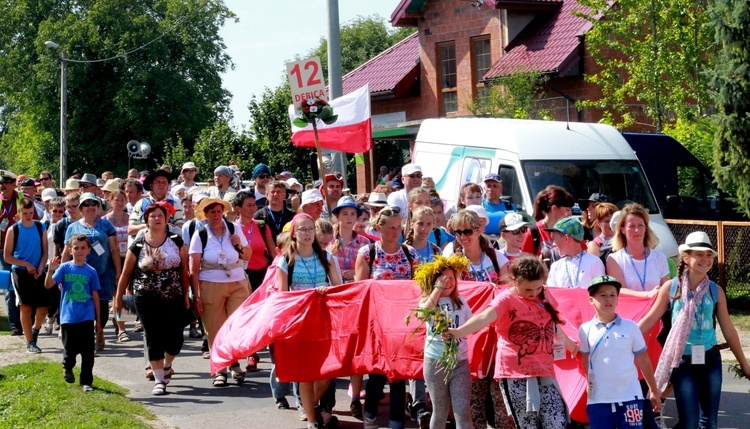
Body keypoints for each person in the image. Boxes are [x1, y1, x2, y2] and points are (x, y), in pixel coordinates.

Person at [446, 256, 579, 429]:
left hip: (545, 371)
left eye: (538, 287)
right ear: (514, 280)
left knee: (556, 423)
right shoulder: (505, 300)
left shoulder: (544, 294)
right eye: (528, 289)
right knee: (528, 425)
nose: (533, 293)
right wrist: (457, 332)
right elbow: (484, 318)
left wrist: (572, 347)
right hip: (515, 374)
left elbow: (552, 326)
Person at [638, 232, 750, 429]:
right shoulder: (671, 288)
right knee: (689, 423)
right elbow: (650, 319)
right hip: (682, 362)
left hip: (710, 359)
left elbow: (729, 330)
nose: (705, 259)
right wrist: (622, 337)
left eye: (709, 255)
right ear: (686, 257)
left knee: (710, 422)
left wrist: (745, 365)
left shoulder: (715, 291)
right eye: (699, 254)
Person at [115, 202, 191, 396]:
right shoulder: (138, 244)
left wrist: (189, 294)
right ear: (146, 221)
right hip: (145, 298)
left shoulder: (176, 240)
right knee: (153, 335)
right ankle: (159, 379)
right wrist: (118, 298)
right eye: (152, 216)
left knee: (175, 339)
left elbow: (184, 270)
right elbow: (125, 274)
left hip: (173, 296)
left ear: (166, 219)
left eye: (160, 215)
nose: (157, 218)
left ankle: (167, 364)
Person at [355, 206, 420, 429]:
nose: (396, 231)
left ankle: (396, 421)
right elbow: (360, 289)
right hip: (378, 323)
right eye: (391, 227)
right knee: (377, 373)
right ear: (379, 227)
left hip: (403, 323)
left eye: (399, 226)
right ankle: (370, 414)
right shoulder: (367, 252)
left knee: (399, 373)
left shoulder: (410, 253)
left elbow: (419, 286)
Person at [277, 213, 342, 428]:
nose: (307, 233)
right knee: (306, 374)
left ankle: (308, 406)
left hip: (325, 321)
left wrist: (328, 291)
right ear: (293, 234)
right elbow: (282, 296)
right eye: (302, 229)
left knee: (326, 373)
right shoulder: (285, 260)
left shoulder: (327, 257)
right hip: (299, 323)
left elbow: (339, 289)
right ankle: (312, 421)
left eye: (310, 229)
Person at [580, 275, 661, 429]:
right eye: (602, 295)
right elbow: (585, 358)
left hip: (630, 397)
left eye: (612, 295)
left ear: (618, 299)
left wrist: (653, 390)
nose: (608, 299)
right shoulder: (584, 329)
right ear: (591, 300)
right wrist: (588, 381)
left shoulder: (631, 327)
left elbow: (643, 360)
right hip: (598, 399)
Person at [188, 196, 251, 386]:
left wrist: (238, 245)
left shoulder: (233, 228)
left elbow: (248, 254)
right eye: (211, 212)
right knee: (214, 327)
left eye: (218, 211)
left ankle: (233, 361)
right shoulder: (200, 234)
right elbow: (193, 268)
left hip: (237, 281)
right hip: (210, 283)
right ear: (205, 215)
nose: (216, 215)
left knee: (235, 325)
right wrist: (195, 295)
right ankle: (220, 369)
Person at [416, 255, 473, 429]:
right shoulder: (429, 301)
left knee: (462, 410)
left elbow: (472, 325)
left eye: (451, 279)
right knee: (440, 411)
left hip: (460, 362)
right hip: (435, 362)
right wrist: (437, 289)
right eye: (443, 279)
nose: (448, 282)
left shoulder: (461, 301)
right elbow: (422, 314)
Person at [63, 193, 121, 352]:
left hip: (102, 273)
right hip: (80, 274)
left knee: (102, 306)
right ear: (81, 208)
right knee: (84, 305)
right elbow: (66, 252)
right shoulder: (73, 227)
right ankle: (88, 341)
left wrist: (118, 271)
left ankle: (100, 330)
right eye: (86, 204)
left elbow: (114, 249)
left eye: (93, 204)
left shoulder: (106, 225)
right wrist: (62, 273)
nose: (90, 207)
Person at [45, 234, 101, 392]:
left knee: (88, 352)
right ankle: (67, 367)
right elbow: (49, 285)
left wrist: (98, 320)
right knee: (70, 348)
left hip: (87, 316)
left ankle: (86, 382)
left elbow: (95, 296)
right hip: (69, 317)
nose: (80, 251)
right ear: (70, 250)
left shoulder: (91, 271)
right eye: (76, 248)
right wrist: (50, 271)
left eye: (83, 248)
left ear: (89, 250)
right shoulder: (64, 268)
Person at [3, 197, 48, 353]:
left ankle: (35, 329)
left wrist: (40, 269)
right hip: (20, 271)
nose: (28, 216)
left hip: (38, 271)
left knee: (43, 308)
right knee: (25, 306)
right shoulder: (13, 229)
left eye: (31, 213)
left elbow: (45, 253)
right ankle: (30, 342)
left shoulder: (40, 227)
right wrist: (26, 265)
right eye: (25, 213)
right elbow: (7, 256)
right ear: (19, 213)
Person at [606, 203, 669, 296]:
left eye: (640, 225)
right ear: (622, 229)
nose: (637, 230)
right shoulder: (614, 259)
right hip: (630, 309)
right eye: (631, 226)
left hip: (657, 308)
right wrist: (647, 294)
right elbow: (619, 290)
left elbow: (666, 288)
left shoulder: (660, 258)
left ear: (645, 228)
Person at [443, 210, 511, 284]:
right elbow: (459, 291)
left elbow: (505, 288)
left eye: (467, 232)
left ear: (479, 230)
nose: (462, 237)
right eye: (458, 232)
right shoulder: (454, 261)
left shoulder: (496, 257)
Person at [521, 185, 576, 265]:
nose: (570, 214)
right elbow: (524, 265)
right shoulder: (532, 233)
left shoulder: (572, 230)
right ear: (554, 209)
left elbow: (582, 256)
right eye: (567, 210)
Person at [546, 217, 605, 288]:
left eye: (554, 239)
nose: (553, 244)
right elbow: (552, 294)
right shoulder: (556, 266)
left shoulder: (594, 262)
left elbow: (601, 290)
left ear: (566, 238)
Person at [1, 169, 25, 335]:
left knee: (23, 286)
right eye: (0, 184)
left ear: (13, 184)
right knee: (9, 287)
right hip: (3, 250)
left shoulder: (24, 200)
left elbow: (36, 223)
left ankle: (25, 321)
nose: (1, 187)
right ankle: (16, 325)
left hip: (21, 249)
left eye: (5, 183)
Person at [105, 189, 131, 342]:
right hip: (113, 259)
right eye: (117, 200)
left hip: (129, 258)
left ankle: (125, 322)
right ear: (111, 201)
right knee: (118, 293)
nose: (120, 203)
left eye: (122, 199)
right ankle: (121, 329)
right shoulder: (106, 220)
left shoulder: (131, 218)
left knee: (129, 294)